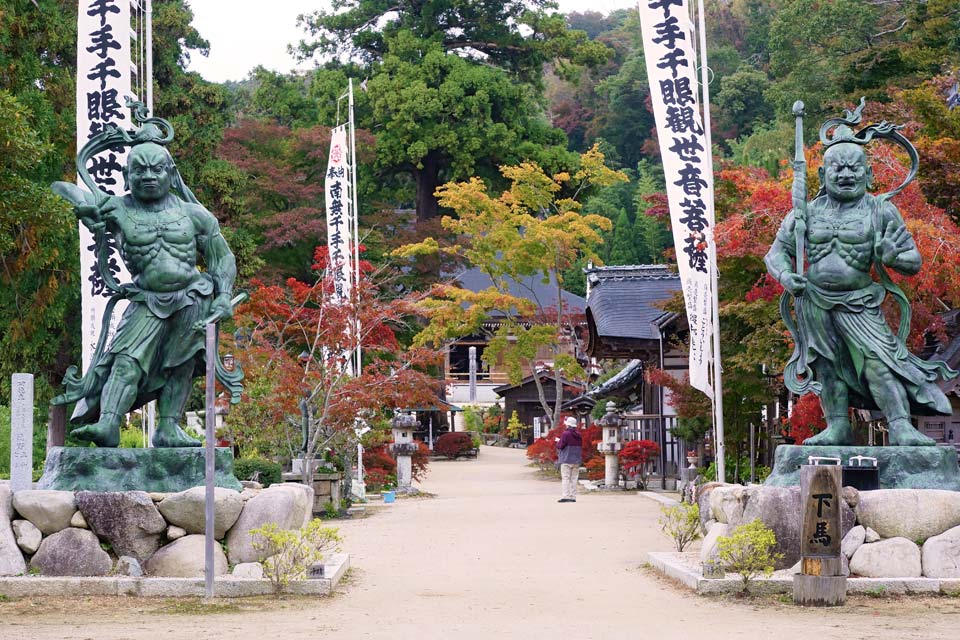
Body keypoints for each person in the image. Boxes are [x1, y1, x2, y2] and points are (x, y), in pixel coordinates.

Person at [765, 137, 955, 446]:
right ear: (823, 174)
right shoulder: (807, 213)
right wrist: (786, 275)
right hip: (813, 301)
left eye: (854, 169)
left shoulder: (880, 211)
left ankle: (900, 425)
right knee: (826, 366)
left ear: (868, 174)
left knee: (877, 362)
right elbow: (775, 253)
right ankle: (837, 426)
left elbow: (913, 261)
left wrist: (893, 258)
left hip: (860, 302)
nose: (846, 175)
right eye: (838, 169)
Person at [51, 141, 236, 448]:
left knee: (182, 364)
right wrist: (77, 202)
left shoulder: (194, 214)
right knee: (126, 361)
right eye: (140, 169)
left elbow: (221, 257)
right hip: (146, 299)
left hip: (193, 296)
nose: (148, 175)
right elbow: (66, 189)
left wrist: (224, 295)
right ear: (127, 174)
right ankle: (108, 423)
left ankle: (168, 428)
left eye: (157, 168)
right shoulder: (116, 208)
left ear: (171, 174)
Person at [556, 416, 583, 502]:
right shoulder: (579, 435)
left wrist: (558, 441)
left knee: (566, 478)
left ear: (568, 425)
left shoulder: (565, 434)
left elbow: (560, 446)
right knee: (574, 479)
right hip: (576, 460)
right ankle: (573, 496)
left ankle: (566, 496)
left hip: (566, 459)